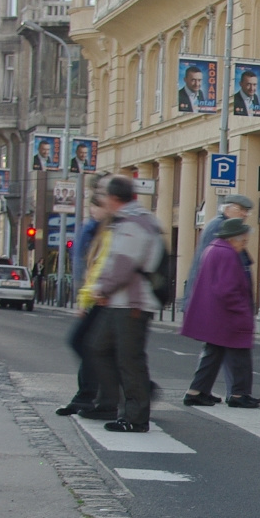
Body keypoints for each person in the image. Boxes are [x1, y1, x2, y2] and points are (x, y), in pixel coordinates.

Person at [80, 175, 164, 433]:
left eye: (105, 195)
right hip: (119, 300)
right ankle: (116, 402)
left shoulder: (134, 223)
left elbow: (123, 263)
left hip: (132, 302)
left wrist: (100, 289)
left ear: (114, 198)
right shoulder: (126, 220)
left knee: (130, 359)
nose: (103, 200)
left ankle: (136, 416)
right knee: (97, 347)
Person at [181, 219, 260, 408]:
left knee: (213, 352)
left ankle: (196, 391)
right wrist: (242, 311)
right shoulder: (227, 254)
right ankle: (239, 394)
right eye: (243, 241)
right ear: (234, 238)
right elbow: (227, 288)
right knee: (239, 353)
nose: (244, 245)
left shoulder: (214, 248)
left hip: (215, 313)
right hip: (227, 314)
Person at [58, 192, 111, 416]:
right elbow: (89, 268)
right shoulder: (94, 230)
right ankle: (86, 396)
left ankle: (95, 394)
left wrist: (90, 294)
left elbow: (103, 267)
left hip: (105, 298)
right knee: (89, 347)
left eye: (96, 207)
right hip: (95, 297)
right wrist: (84, 298)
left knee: (86, 345)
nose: (92, 211)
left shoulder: (109, 231)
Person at [183, 193, 253, 307]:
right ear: (227, 208)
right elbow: (215, 268)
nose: (245, 214)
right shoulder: (220, 227)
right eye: (240, 209)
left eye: (247, 211)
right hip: (210, 304)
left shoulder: (229, 228)